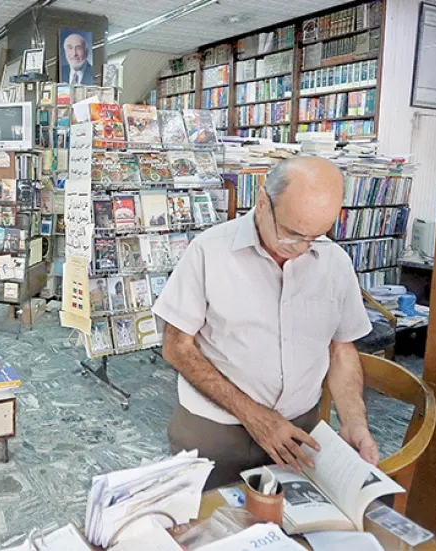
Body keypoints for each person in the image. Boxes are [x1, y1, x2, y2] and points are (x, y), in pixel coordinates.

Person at [152, 156, 379, 491]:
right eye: (292, 233)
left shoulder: (335, 261)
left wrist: (354, 421)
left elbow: (341, 350)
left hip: (300, 431)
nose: (302, 249)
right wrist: (255, 416)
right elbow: (176, 347)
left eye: (315, 236)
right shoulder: (209, 252)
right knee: (209, 534)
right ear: (262, 203)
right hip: (216, 431)